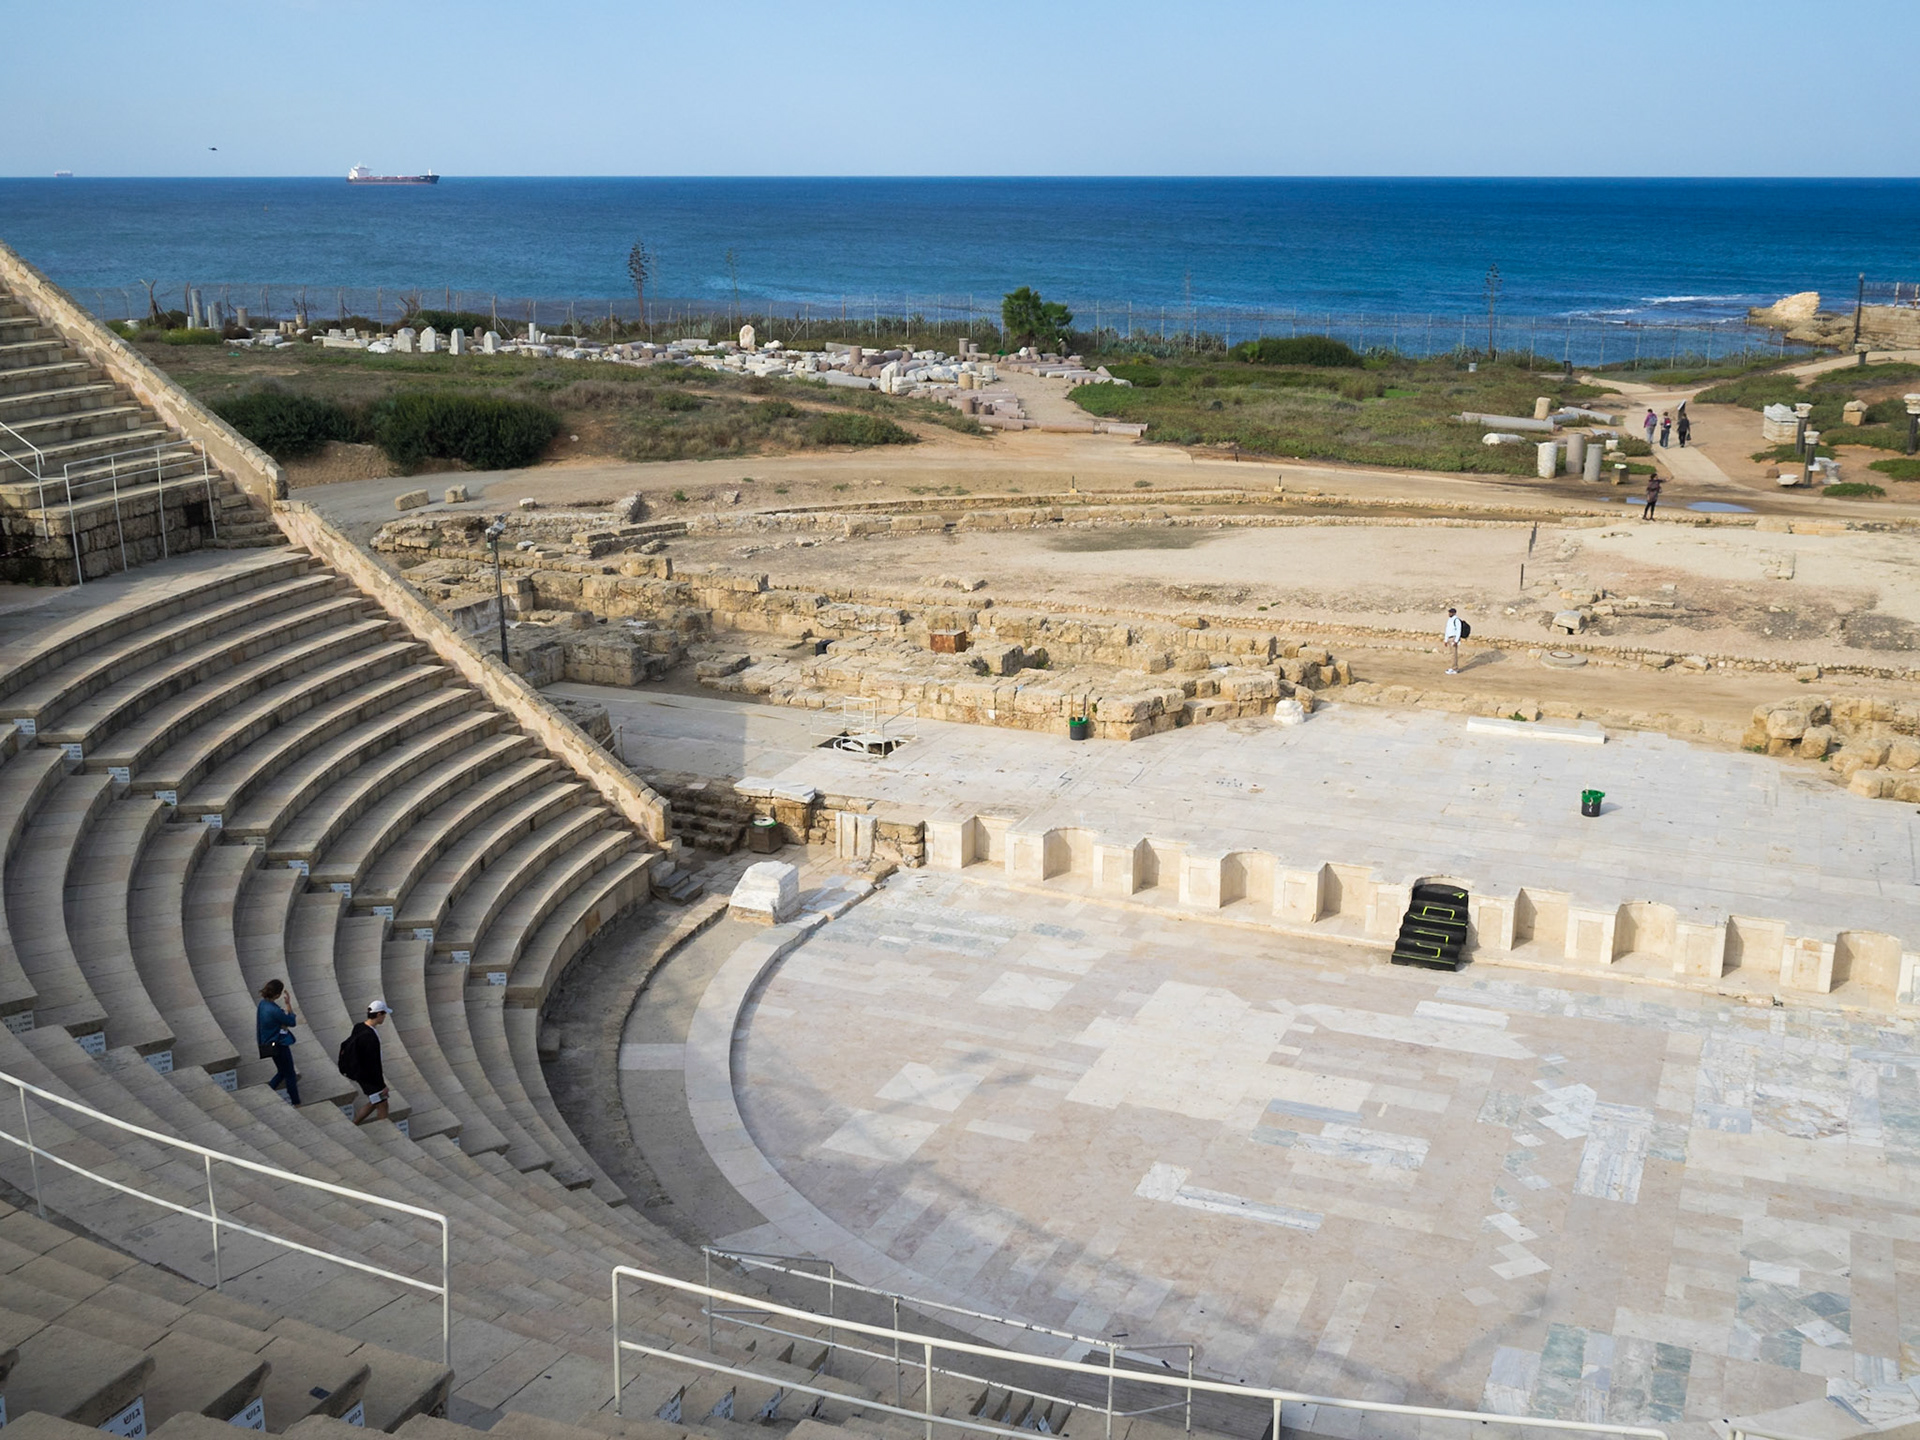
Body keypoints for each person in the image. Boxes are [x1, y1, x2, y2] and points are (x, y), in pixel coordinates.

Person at [338, 1000, 392, 1125]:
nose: (384, 1017)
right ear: (378, 1014)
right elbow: (373, 1065)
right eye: (384, 1014)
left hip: (361, 1072)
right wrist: (382, 1085)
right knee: (383, 1104)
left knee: (375, 1101)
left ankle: (354, 1124)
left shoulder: (359, 1026)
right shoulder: (370, 1037)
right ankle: (384, 1131)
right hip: (368, 1076)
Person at [255, 979, 299, 1106]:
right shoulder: (274, 1010)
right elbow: (292, 1022)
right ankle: (296, 1102)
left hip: (268, 1043)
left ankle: (268, 1092)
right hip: (279, 1045)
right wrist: (288, 1005)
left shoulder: (262, 1004)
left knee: (282, 1071)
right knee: (290, 1074)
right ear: (277, 995)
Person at [1443, 607, 1464, 674]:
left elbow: (1458, 630)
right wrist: (1445, 640)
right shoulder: (1449, 620)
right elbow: (1447, 630)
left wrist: (1456, 640)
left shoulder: (1456, 620)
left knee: (1454, 654)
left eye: (1451, 612)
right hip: (1449, 638)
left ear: (1454, 613)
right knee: (1451, 653)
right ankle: (1452, 667)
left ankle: (1455, 668)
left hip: (1454, 638)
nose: (1449, 613)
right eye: (1449, 612)